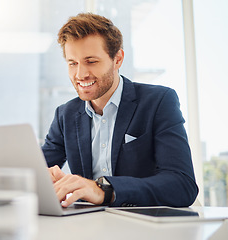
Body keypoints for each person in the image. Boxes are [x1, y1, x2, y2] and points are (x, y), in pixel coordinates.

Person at [42, 13, 198, 208]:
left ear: (118, 59)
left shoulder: (158, 102)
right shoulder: (65, 114)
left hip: (144, 225)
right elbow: (36, 170)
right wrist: (42, 177)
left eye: (91, 61)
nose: (80, 74)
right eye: (73, 63)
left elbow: (182, 184)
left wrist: (104, 190)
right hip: (85, 226)